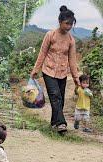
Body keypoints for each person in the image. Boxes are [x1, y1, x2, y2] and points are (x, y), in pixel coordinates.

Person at [30, 5, 80, 133]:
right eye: (66, 24)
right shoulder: (50, 35)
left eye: (71, 24)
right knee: (55, 96)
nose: (68, 27)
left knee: (60, 99)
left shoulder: (71, 40)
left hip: (63, 73)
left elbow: (72, 60)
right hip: (48, 71)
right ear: (60, 22)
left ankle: (54, 123)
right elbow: (42, 52)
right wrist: (36, 69)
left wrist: (75, 78)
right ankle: (62, 124)